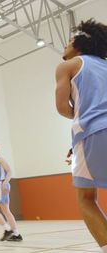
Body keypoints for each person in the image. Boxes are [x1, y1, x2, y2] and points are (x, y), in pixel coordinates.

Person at [55, 19, 107, 251]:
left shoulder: (69, 66)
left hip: (93, 132)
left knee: (86, 198)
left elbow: (63, 108)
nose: (64, 47)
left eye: (68, 41)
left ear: (78, 43)